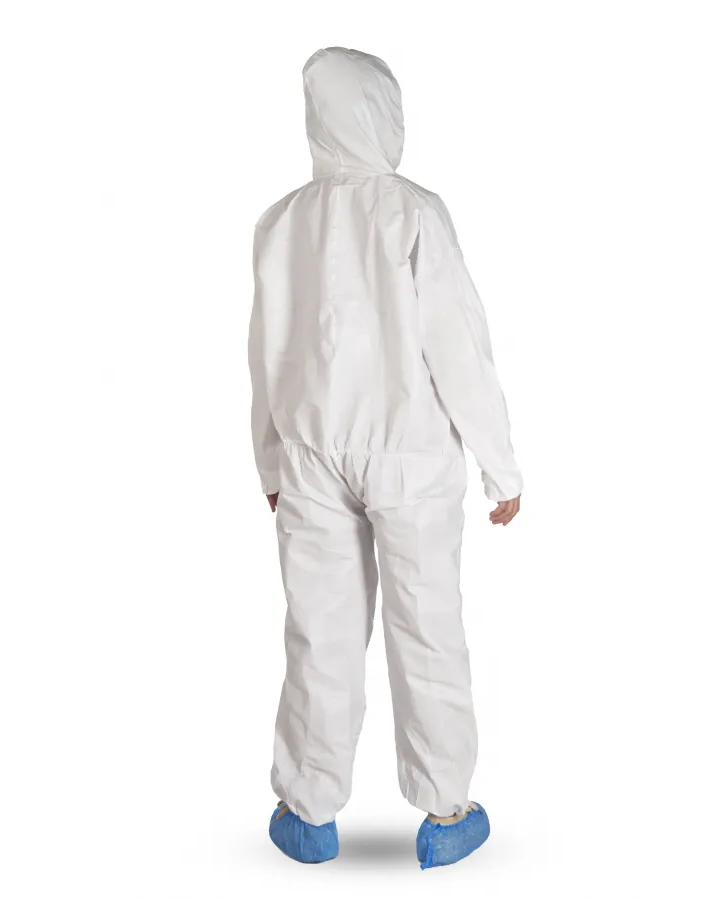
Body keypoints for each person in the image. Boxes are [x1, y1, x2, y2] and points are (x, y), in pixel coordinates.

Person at [249, 47, 523, 869]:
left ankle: (307, 813)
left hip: (310, 452)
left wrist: (269, 460)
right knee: (426, 626)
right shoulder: (413, 211)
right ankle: (445, 813)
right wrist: (499, 464)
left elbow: (267, 351)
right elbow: (457, 343)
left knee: (319, 631)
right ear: (382, 115)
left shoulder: (281, 221)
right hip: (409, 451)